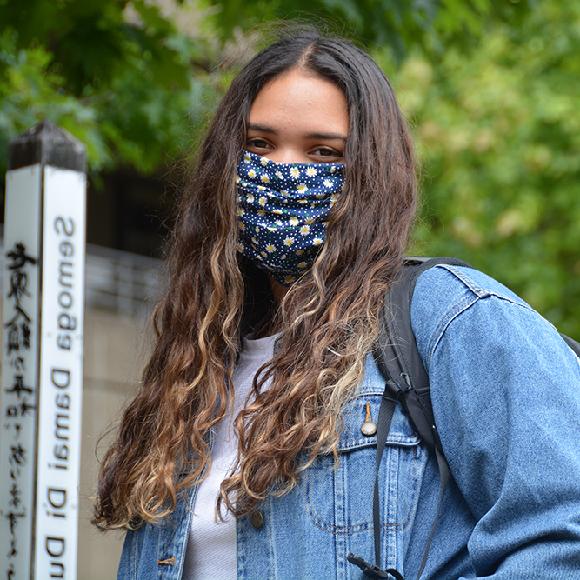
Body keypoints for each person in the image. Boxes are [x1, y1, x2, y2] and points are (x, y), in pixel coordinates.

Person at [93, 27, 580, 580]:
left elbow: (563, 534)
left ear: (369, 174)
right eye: (259, 145)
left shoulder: (447, 318)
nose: (285, 171)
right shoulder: (195, 369)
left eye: (323, 152)